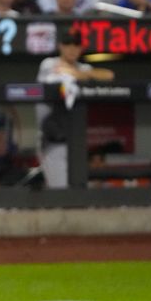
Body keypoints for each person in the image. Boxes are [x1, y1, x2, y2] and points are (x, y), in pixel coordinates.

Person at [35, 29, 114, 189]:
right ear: (60, 47)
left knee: (78, 188)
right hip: (52, 137)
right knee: (60, 190)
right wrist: (84, 75)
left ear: (81, 48)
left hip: (76, 139)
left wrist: (78, 73)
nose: (72, 49)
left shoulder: (83, 67)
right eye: (68, 44)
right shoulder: (49, 63)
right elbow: (59, 71)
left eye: (76, 45)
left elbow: (108, 75)